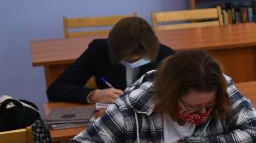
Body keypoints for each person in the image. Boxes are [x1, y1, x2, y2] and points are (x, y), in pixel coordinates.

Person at [59, 50, 256, 143]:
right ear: (171, 95)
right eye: (193, 107)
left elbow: (255, 136)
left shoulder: (221, 87)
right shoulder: (134, 105)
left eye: (209, 105)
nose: (203, 112)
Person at [47, 16, 175, 104]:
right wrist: (94, 95)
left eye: (138, 60)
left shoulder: (167, 57)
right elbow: (56, 89)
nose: (132, 64)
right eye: (126, 60)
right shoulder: (100, 50)